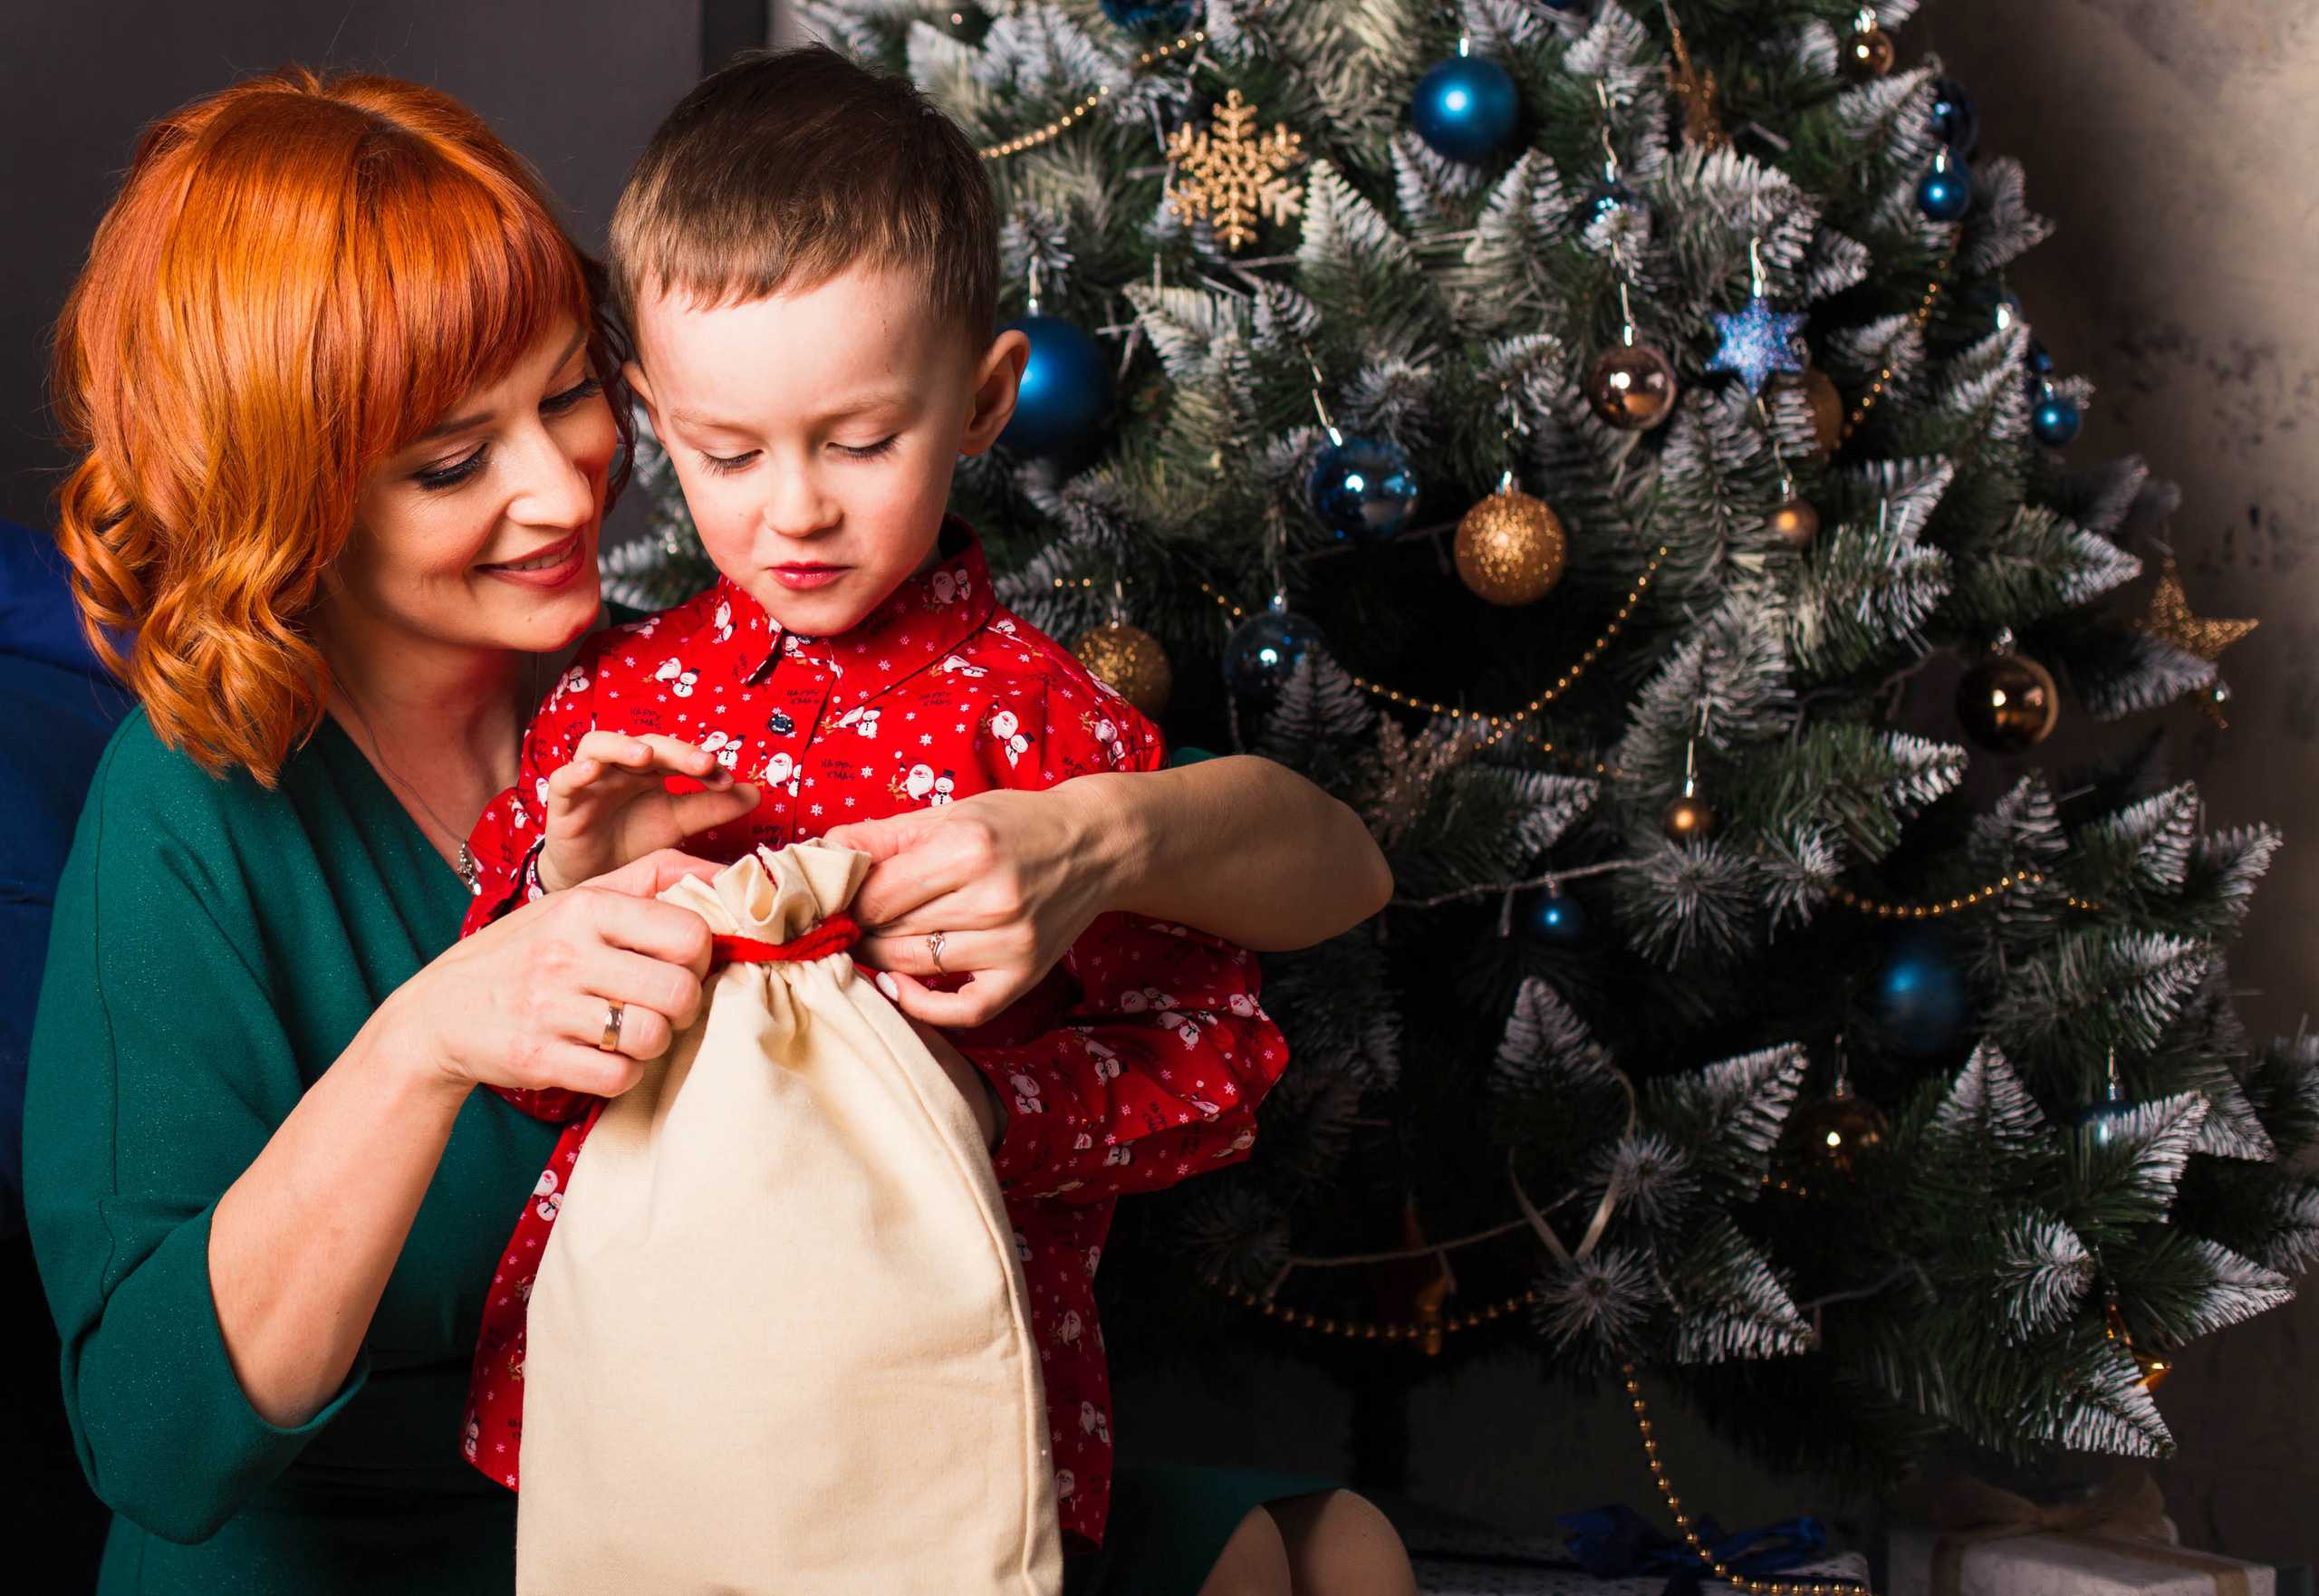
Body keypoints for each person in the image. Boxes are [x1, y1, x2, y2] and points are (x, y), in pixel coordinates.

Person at [24, 65, 1392, 1596]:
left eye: (566, 394)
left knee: (1327, 1549)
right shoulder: (193, 807)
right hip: (381, 1536)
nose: (562, 487)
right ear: (298, 498)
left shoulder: (687, 676)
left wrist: (1106, 835)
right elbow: (152, 1441)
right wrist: (429, 1037)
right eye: (454, 463)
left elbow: (1331, 860)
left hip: (791, 1489)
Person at [447, 47, 1413, 1596]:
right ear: (651, 416)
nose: (795, 510)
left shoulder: (1042, 731)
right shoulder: (611, 709)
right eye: (727, 450)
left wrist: (993, 1113)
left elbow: (1222, 1058)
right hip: (647, 1409)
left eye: (858, 439)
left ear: (980, 397)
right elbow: (506, 1059)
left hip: (944, 1419)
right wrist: (579, 893)